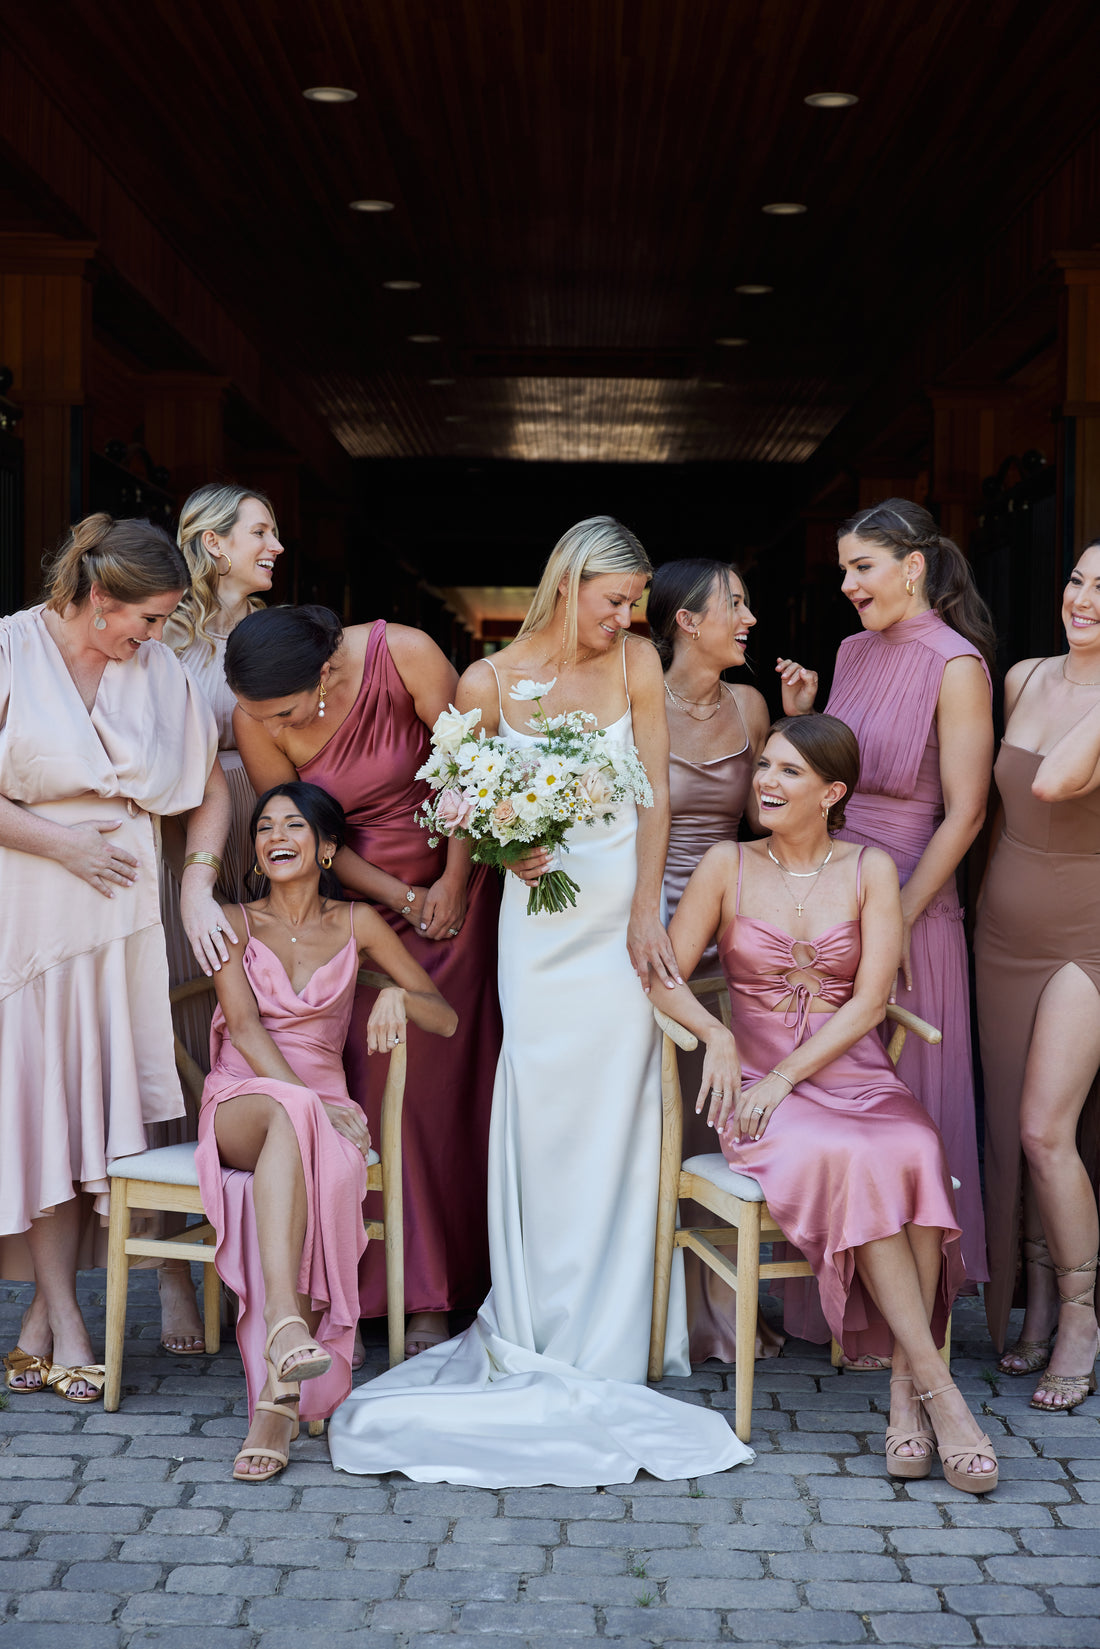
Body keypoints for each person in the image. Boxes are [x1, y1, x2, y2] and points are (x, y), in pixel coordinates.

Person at [326, 515, 751, 1488]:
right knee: (545, 1104)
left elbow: (653, 794)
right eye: (615, 599)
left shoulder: (636, 662)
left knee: (619, 1103)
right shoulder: (487, 680)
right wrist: (493, 844)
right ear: (568, 586)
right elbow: (450, 800)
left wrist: (645, 911)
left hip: (616, 917)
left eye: (634, 602)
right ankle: (533, 1312)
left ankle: (615, 1325)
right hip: (537, 926)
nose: (627, 616)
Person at [663, 715, 996, 1492]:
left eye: (789, 772)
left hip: (855, 1076)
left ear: (832, 792)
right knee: (861, 1155)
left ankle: (906, 1393)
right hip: (760, 1098)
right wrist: (717, 1034)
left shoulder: (869, 867)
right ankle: (938, 1394)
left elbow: (872, 999)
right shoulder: (725, 863)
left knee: (912, 1146)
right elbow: (664, 976)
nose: (766, 782)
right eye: (764, 766)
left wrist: (789, 1074)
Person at [225, 604, 500, 1357]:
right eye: (258, 714)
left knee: (452, 1091)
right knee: (377, 1090)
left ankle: (456, 1284)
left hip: (460, 889)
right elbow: (303, 831)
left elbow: (471, 771)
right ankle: (379, 1288)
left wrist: (453, 879)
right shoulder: (256, 715)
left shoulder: (404, 652)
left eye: (282, 712)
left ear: (321, 675)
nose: (266, 724)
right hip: (361, 908)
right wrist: (401, 897)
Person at [0, 513, 230, 1403]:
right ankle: (66, 1318)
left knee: (90, 1112)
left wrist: (196, 885)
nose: (159, 634)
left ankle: (41, 1321)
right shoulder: (11, 650)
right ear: (100, 598)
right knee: (43, 1110)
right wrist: (62, 844)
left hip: (125, 924)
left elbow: (208, 788)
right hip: (30, 918)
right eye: (149, 617)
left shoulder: (159, 670)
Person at [195, 782, 456, 1481]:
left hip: (324, 1111)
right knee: (290, 1114)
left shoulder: (359, 922)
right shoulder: (232, 922)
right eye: (264, 827)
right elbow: (245, 1028)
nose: (275, 836)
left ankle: (277, 1402)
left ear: (328, 847)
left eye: (293, 825)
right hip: (243, 1099)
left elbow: (445, 1016)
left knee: (315, 1145)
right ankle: (287, 1322)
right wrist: (307, 1098)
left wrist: (397, 993)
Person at [776, 498, 993, 1321]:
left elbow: (966, 813)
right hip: (833, 895)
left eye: (861, 567)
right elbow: (838, 778)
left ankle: (906, 1315)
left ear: (913, 566)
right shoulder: (850, 651)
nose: (847, 584)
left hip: (912, 899)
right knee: (833, 1089)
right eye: (843, 569)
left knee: (905, 1091)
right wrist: (806, 716)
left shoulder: (957, 664)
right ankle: (835, 1303)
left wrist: (895, 916)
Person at [153, 483, 285, 1356]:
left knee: (257, 1023)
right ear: (212, 543)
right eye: (261, 531)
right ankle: (171, 1264)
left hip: (265, 844)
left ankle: (254, 1248)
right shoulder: (161, 637)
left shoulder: (274, 634)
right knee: (179, 1030)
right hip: (181, 851)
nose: (276, 546)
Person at [976, 539, 1100, 1411]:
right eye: (1079, 580)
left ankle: (1083, 1317)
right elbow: (999, 807)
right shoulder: (1021, 677)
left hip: (1085, 937)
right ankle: (1039, 1303)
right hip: (1001, 930)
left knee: (1044, 1127)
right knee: (1009, 1128)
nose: (1083, 599)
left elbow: (1055, 782)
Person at [647, 556, 780, 1364]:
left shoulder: (750, 705)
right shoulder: (635, 700)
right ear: (687, 620)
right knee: (647, 1117)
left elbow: (767, 821)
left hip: (726, 929)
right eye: (736, 603)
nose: (749, 618)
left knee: (713, 1118)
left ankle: (722, 1305)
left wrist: (800, 722)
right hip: (644, 927)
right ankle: (651, 1305)